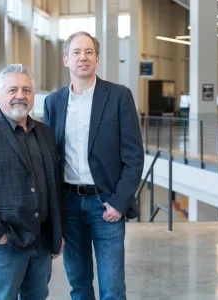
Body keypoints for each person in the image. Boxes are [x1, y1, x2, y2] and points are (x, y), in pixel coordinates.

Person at [43, 31, 144, 300]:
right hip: (69, 205)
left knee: (112, 289)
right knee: (79, 286)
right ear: (66, 59)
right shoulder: (53, 103)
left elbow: (134, 156)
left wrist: (119, 202)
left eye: (88, 52)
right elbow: (49, 161)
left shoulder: (119, 96)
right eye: (76, 52)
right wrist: (54, 213)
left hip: (106, 205)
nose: (82, 58)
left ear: (97, 59)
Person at [0, 64, 64, 300]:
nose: (20, 96)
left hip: (42, 241)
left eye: (26, 90)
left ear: (33, 96)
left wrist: (57, 233)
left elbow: (53, 186)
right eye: (12, 90)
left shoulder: (45, 134)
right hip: (6, 245)